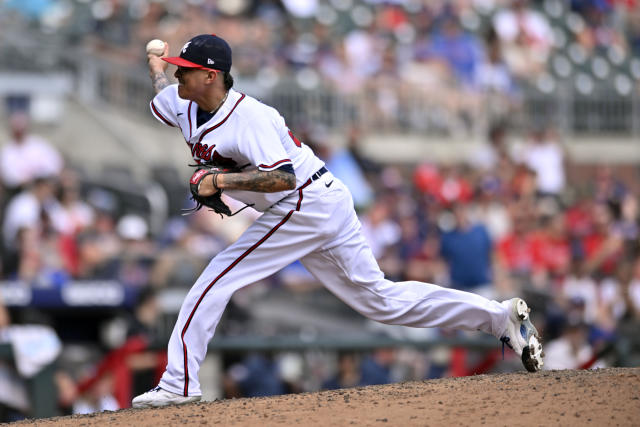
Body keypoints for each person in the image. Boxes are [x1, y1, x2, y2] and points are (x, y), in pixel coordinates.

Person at [132, 34, 544, 408]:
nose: (178, 74)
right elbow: (163, 93)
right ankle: (497, 317)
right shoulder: (184, 102)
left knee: (217, 277)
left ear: (211, 76)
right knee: (380, 300)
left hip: (303, 199)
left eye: (186, 70)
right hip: (320, 202)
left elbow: (282, 177)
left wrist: (219, 179)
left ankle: (180, 383)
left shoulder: (249, 118)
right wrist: (156, 67)